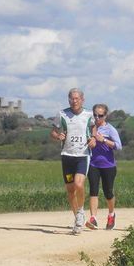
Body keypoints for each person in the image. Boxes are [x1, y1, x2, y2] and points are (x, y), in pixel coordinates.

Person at [50, 88, 96, 234]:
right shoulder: (62, 114)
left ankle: (81, 211)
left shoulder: (89, 114)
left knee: (79, 184)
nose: (74, 101)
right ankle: (77, 219)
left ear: (82, 99)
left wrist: (93, 139)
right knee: (70, 190)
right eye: (71, 98)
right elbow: (53, 131)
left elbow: (93, 129)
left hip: (82, 155)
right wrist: (58, 136)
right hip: (67, 156)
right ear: (68, 99)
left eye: (77, 98)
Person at [85, 103, 122, 231]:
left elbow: (118, 146)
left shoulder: (110, 129)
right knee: (93, 190)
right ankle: (93, 219)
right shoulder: (90, 128)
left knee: (108, 192)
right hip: (93, 163)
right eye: (95, 115)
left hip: (108, 165)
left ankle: (111, 214)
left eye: (100, 115)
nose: (97, 118)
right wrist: (90, 142)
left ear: (105, 116)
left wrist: (103, 140)